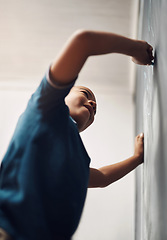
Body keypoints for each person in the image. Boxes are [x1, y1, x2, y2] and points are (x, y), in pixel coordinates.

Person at [0, 30, 154, 240]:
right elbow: (84, 41)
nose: (92, 103)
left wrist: (137, 159)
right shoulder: (45, 107)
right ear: (64, 94)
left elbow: (102, 177)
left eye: (95, 107)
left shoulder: (77, 156)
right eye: (85, 94)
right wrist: (136, 49)